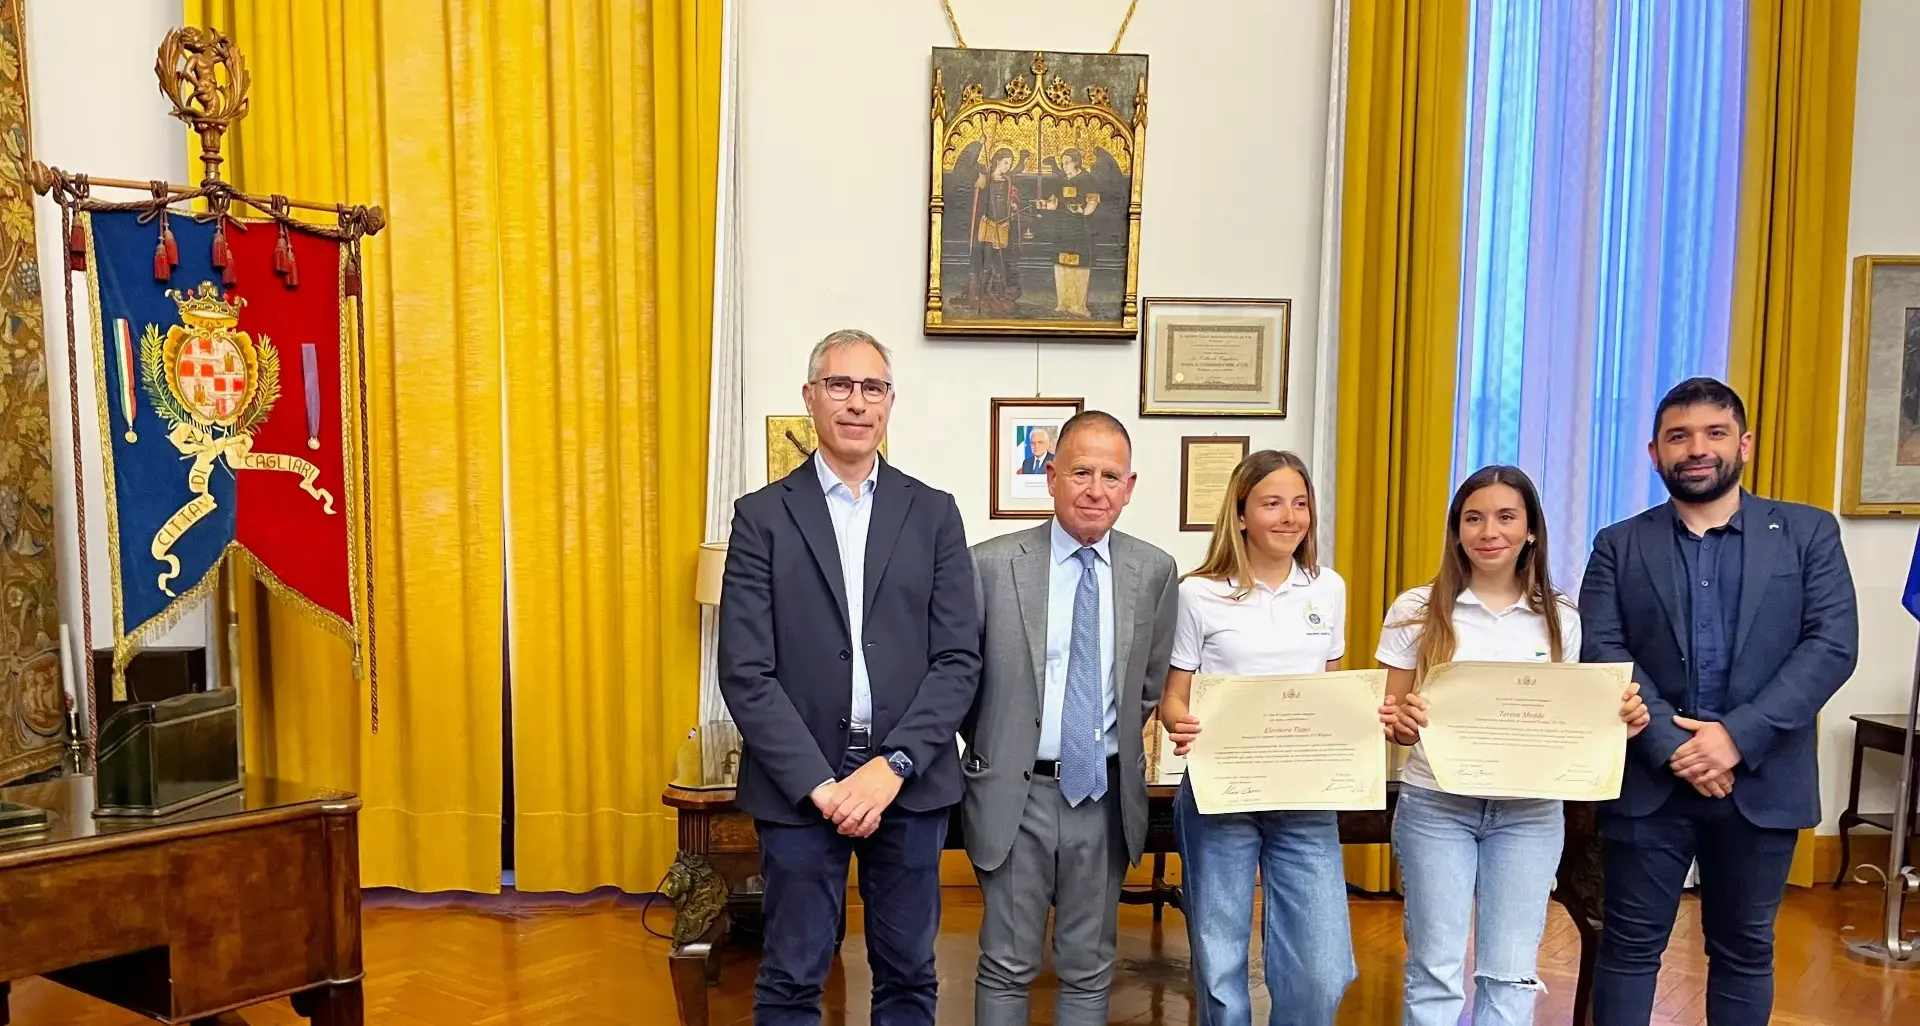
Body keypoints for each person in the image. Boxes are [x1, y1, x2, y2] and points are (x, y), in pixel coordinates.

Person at [718, 328, 982, 1026]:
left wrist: (892, 766)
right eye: (839, 385)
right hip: (801, 787)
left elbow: (958, 660)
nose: (856, 402)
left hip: (909, 782)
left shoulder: (933, 514)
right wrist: (823, 785)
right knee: (792, 976)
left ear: (890, 403)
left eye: (872, 388)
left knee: (907, 975)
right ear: (811, 398)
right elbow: (746, 671)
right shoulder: (761, 518)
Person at [1579, 377, 1858, 1026]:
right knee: (1627, 948)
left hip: (1763, 780)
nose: (1696, 448)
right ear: (1654, 453)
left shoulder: (1808, 534)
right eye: (1679, 437)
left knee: (1743, 950)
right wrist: (1677, 750)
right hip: (1649, 782)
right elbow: (1604, 650)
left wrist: (1733, 738)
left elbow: (1831, 645)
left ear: (1745, 444)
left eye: (1714, 433)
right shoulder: (1618, 544)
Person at [1375, 465, 1649, 1026]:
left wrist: (1622, 715)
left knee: (1510, 972)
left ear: (1530, 531)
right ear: (1456, 531)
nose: (1488, 531)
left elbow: (1582, 715)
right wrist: (1401, 720)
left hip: (1529, 813)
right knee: (1435, 969)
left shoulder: (1563, 617)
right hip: (1436, 806)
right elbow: (1389, 712)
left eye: (1505, 517)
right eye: (1473, 518)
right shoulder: (1416, 609)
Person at [961, 410, 1179, 1026]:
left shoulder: (1155, 571)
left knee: (1089, 966)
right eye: (1080, 472)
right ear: (1051, 476)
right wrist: (999, 749)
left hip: (1103, 792)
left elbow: (1147, 685)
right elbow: (964, 682)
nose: (1095, 489)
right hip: (1014, 791)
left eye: (1112, 475)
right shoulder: (991, 565)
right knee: (1005, 963)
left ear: (1130, 486)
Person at [1158, 449, 1355, 1026]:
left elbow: (1331, 689)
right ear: (1241, 515)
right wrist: (1178, 721)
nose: (1290, 517)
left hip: (1306, 797)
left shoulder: (1329, 588)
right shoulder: (1199, 592)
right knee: (1220, 963)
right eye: (1272, 503)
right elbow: (1174, 695)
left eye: (1300, 503)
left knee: (1324, 970)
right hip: (1222, 794)